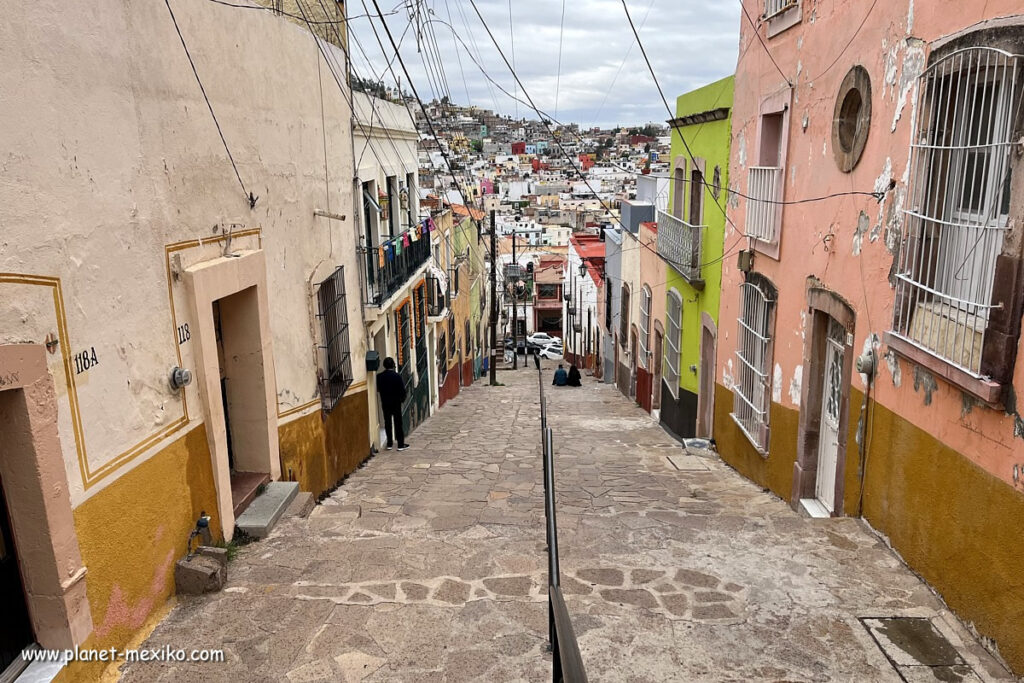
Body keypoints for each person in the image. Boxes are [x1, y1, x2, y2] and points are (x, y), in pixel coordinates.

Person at [376, 357, 409, 451]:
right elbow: (402, 390)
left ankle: (389, 443)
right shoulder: (397, 376)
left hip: (385, 403)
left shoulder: (379, 377)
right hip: (396, 403)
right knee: (398, 423)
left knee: (387, 423)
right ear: (393, 365)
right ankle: (400, 444)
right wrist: (402, 399)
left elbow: (378, 389)